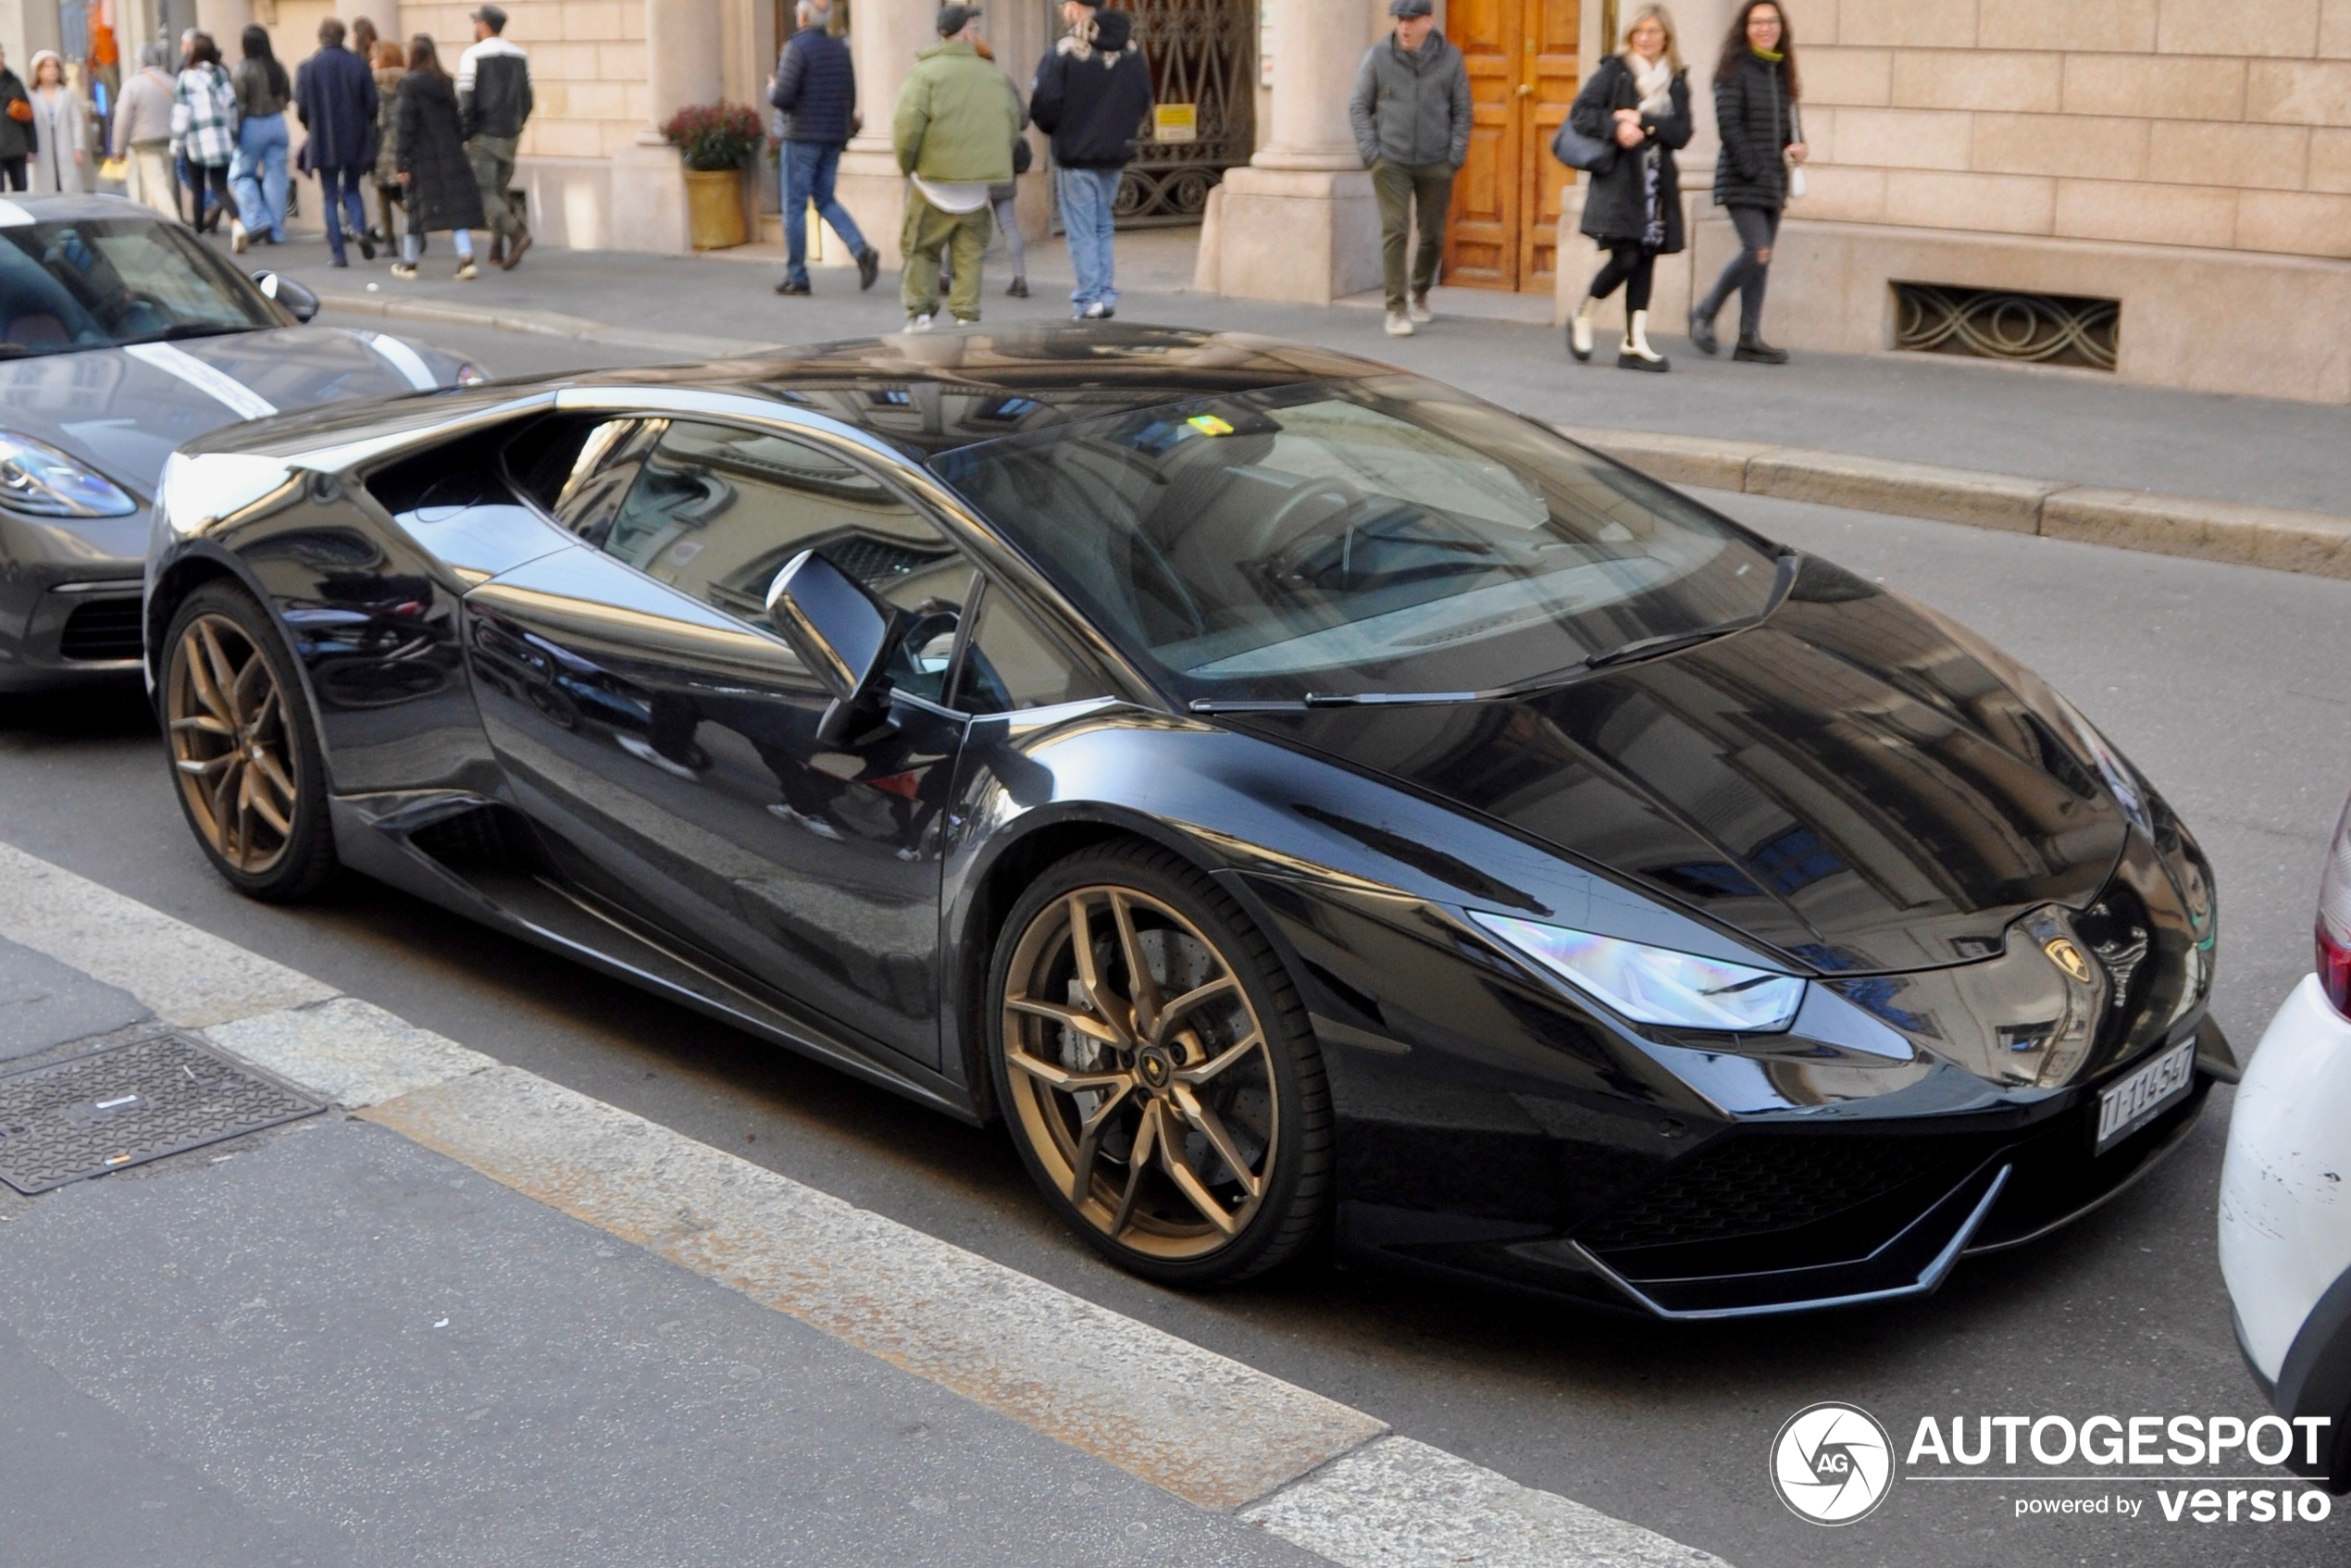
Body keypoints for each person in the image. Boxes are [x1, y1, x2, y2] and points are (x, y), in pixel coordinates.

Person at [1564, 4, 1691, 372]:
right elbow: (1582, 112)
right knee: (1627, 255)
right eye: (1640, 31)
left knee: (1646, 256)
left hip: (1657, 183)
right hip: (1621, 182)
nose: (1646, 38)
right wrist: (1616, 128)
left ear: (1666, 36)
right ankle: (1584, 313)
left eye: (1653, 31)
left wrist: (1645, 122)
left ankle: (1635, 341)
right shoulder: (1614, 71)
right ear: (1631, 36)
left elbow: (1681, 133)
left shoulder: (1677, 78)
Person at [890, 5, 1023, 330]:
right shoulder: (993, 76)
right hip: (977, 189)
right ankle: (966, 316)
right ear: (966, 32)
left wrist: (908, 167)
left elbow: (907, 129)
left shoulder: (924, 74)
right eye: (974, 27)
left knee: (921, 249)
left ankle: (921, 316)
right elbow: (1011, 127)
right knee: (970, 255)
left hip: (932, 184)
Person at [1348, 0, 1471, 338]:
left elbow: (1462, 112)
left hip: (1436, 162)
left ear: (1428, 22)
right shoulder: (1378, 57)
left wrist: (1453, 158)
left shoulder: (1450, 59)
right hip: (1391, 160)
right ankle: (1396, 308)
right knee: (1396, 230)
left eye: (1411, 20)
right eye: (1400, 20)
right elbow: (1359, 106)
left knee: (1432, 235)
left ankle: (1419, 292)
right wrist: (1373, 154)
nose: (1404, 27)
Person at [1690, 0, 1804, 364]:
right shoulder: (1733, 70)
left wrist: (1794, 145)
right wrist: (1755, 168)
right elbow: (1730, 128)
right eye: (1757, 23)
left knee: (1762, 260)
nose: (1765, 28)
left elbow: (1785, 128)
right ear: (1745, 28)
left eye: (1772, 22)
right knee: (1757, 251)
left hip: (1773, 181)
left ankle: (1748, 337)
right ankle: (1704, 313)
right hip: (1742, 178)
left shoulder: (1781, 72)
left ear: (1781, 27)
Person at [1028, 0, 1150, 321]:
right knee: (1102, 225)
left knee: (1082, 228)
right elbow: (1143, 97)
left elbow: (1044, 104)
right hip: (1114, 152)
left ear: (1077, 9)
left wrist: (1060, 130)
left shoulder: (1066, 50)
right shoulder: (1131, 49)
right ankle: (1105, 294)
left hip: (1076, 153)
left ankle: (1088, 299)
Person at [766, 0, 878, 296]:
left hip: (801, 137)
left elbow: (783, 97)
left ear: (803, 16)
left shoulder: (797, 48)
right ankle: (861, 249)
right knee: (826, 200)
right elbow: (850, 97)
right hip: (832, 137)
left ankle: (797, 276)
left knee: (794, 207)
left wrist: (772, 88)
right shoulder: (841, 50)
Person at [392, 35, 486, 281]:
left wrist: (401, 161)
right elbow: (458, 120)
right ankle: (467, 259)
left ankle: (409, 263)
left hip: (422, 157)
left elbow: (405, 126)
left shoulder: (408, 84)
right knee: (457, 210)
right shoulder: (444, 81)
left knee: (414, 208)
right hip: (451, 153)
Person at [293, 17, 379, 268]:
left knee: (330, 196)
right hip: (354, 135)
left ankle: (338, 254)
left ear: (320, 37)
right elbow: (372, 103)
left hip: (323, 137)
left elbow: (302, 108)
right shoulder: (358, 64)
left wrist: (313, 126)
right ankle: (360, 229)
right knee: (352, 188)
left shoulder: (307, 68)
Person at [456, 6, 531, 268]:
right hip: (511, 133)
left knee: (484, 190)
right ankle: (496, 249)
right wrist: (517, 126)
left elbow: (466, 102)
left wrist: (465, 134)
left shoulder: (472, 56)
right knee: (499, 190)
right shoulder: (520, 55)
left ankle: (516, 234)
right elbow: (528, 99)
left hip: (483, 134)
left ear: (484, 26)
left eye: (477, 22)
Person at [229, 25, 292, 251]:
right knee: (275, 178)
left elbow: (239, 105)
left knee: (241, 175)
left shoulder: (242, 70)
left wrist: (233, 134)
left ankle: (257, 220)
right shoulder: (277, 67)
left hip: (252, 124)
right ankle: (276, 230)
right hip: (277, 123)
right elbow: (287, 95)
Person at [170, 32, 237, 233]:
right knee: (220, 186)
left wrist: (176, 144)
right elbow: (231, 105)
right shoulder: (220, 74)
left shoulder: (186, 77)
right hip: (220, 139)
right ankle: (237, 222)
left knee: (198, 190)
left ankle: (198, 232)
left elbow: (182, 113)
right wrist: (233, 134)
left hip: (196, 142)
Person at [112, 43, 178, 216]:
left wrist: (118, 148)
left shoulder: (132, 85)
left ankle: (173, 222)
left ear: (140, 61)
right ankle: (155, 225)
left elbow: (122, 119)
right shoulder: (173, 82)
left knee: (156, 184)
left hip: (144, 142)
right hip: (169, 140)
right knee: (162, 182)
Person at [26, 51, 87, 194]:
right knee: (43, 186)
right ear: (38, 71)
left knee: (68, 185)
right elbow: (27, 123)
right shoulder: (31, 94)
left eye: (55, 67)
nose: (52, 70)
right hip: (41, 148)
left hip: (65, 145)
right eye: (47, 67)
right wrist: (28, 148)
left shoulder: (67, 93)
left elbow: (76, 121)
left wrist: (78, 147)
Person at [369, 39, 407, 250]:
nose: (371, 63)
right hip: (403, 142)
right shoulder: (408, 82)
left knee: (384, 192)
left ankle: (390, 240)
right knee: (399, 191)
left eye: (374, 58)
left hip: (383, 144)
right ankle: (416, 226)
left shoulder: (376, 86)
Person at [0, 48, 32, 193]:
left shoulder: (14, 81)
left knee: (21, 190)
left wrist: (32, 146)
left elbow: (29, 116)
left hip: (16, 147)